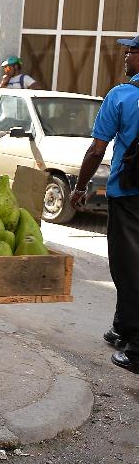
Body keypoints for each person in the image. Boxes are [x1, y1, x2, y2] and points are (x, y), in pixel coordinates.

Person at [70, 34, 139, 373]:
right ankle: (123, 327)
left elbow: (97, 149)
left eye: (132, 52)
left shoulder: (123, 96)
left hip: (128, 196)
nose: (126, 57)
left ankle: (137, 348)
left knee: (128, 267)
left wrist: (80, 186)